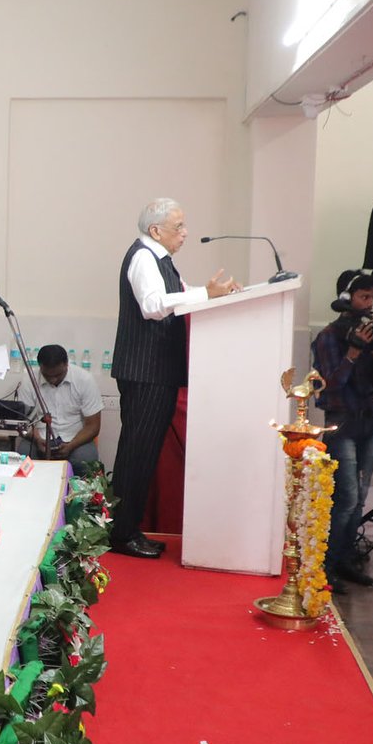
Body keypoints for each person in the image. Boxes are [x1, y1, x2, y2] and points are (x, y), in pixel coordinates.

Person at [110, 198, 239, 558]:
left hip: (156, 371)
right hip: (146, 372)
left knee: (144, 452)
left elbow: (179, 296)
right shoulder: (143, 257)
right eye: (178, 226)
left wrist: (217, 295)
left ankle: (128, 529)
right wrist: (205, 293)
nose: (185, 233)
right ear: (156, 230)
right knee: (137, 452)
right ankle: (122, 533)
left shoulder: (161, 259)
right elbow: (153, 306)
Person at [311, 269, 373, 589]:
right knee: (347, 498)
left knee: (361, 496)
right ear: (346, 298)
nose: (369, 303)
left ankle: (345, 560)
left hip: (369, 421)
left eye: (372, 297)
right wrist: (352, 354)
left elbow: (372, 383)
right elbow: (329, 386)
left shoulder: (370, 333)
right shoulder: (329, 336)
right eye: (364, 297)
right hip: (341, 423)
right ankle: (325, 568)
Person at [27, 344, 103, 467]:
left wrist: (71, 445)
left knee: (85, 461)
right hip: (40, 438)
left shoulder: (85, 380)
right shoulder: (29, 380)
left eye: (58, 375)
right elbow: (24, 423)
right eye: (47, 376)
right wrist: (37, 440)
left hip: (76, 439)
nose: (53, 380)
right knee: (24, 455)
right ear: (40, 366)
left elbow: (93, 426)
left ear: (67, 364)